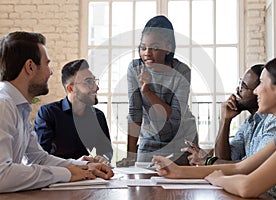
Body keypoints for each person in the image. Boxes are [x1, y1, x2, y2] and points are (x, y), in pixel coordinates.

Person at [153, 56, 276, 199]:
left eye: (261, 83)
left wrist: (219, 179)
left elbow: (247, 187)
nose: (256, 91)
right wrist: (178, 171)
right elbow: (240, 167)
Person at [0, 31, 113, 193]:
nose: (50, 72)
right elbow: (2, 176)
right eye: (47, 64)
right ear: (30, 67)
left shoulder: (19, 107)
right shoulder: (3, 105)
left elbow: (38, 158)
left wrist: (85, 166)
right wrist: (66, 173)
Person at [117, 15, 198, 166]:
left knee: (178, 187)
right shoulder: (135, 69)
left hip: (181, 137)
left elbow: (174, 118)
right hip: (150, 137)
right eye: (143, 47)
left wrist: (147, 92)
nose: (147, 53)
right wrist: (131, 155)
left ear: (168, 48)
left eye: (154, 47)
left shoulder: (182, 71)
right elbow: (135, 113)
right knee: (142, 182)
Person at [182, 64, 276, 166]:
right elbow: (224, 160)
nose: (238, 89)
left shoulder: (274, 121)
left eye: (244, 87)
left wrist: (208, 160)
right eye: (240, 83)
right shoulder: (249, 122)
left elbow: (255, 166)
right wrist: (225, 120)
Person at [34, 59, 113, 164]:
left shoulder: (98, 116)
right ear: (71, 88)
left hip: (88, 176)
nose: (96, 87)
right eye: (89, 82)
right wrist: (75, 164)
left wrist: (103, 158)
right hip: (57, 177)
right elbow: (42, 157)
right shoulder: (48, 113)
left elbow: (106, 150)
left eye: (94, 81)